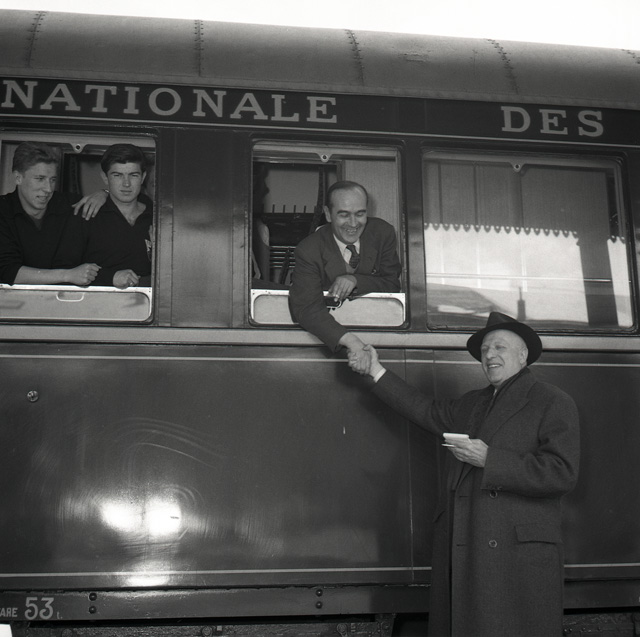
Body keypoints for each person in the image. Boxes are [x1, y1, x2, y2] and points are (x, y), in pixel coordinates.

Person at [350, 312, 580, 637]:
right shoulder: (472, 403)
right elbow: (423, 409)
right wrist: (375, 370)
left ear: (523, 354)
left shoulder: (552, 400)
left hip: (514, 559)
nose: (489, 355)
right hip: (468, 549)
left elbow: (562, 473)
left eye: (499, 347)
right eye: (484, 350)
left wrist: (490, 459)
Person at [289, 180, 401, 370]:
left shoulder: (383, 233)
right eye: (344, 215)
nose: (353, 223)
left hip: (379, 330)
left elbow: (392, 284)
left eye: (360, 214)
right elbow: (307, 309)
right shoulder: (308, 250)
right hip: (329, 340)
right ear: (328, 214)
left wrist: (355, 280)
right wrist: (353, 342)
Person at [0, 142, 107, 286]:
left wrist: (105, 194)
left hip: (65, 298)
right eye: (40, 179)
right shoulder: (3, 210)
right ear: (18, 177)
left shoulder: (69, 204)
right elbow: (8, 272)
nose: (48, 189)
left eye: (52, 180)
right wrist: (68, 275)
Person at [63, 143, 153, 288]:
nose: (126, 184)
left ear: (143, 177)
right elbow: (64, 270)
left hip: (150, 301)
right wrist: (110, 278)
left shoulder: (158, 217)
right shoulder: (86, 214)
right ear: (105, 178)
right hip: (98, 301)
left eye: (133, 175)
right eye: (117, 175)